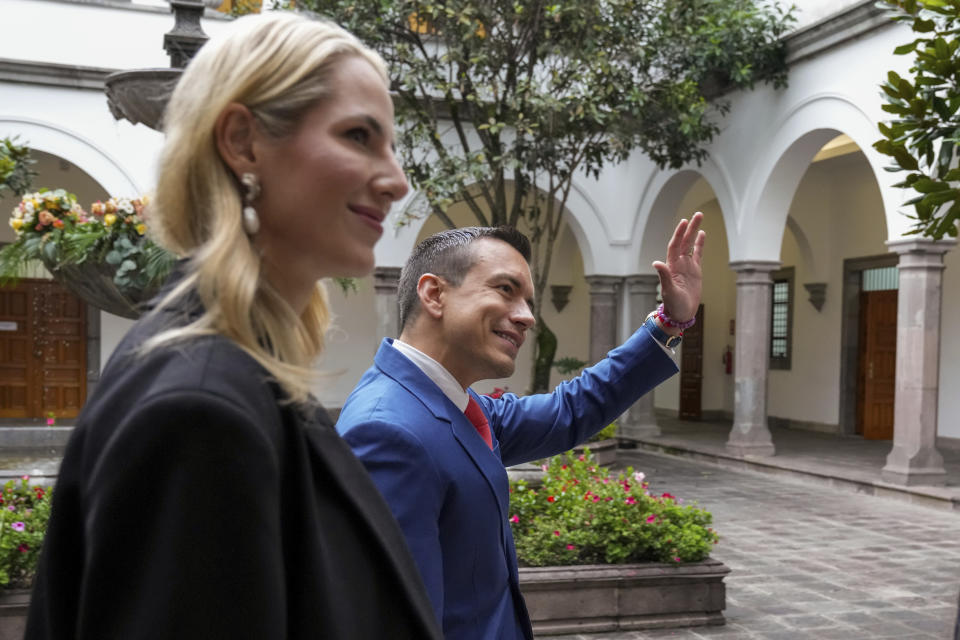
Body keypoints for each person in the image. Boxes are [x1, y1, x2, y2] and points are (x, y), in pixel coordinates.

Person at [26, 13, 442, 640]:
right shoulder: (199, 412)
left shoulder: (240, 371)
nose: (396, 180)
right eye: (359, 136)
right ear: (244, 142)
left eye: (389, 144)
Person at [336, 215, 705, 639]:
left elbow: (570, 410)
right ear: (434, 293)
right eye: (506, 290)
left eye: (528, 301)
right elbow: (396, 622)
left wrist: (669, 323)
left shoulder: (456, 402)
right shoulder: (387, 432)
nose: (527, 317)